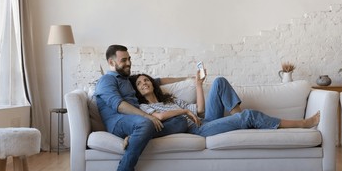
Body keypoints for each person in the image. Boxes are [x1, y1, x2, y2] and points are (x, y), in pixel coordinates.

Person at [95, 45, 189, 171]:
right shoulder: (106, 80)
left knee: (181, 121)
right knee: (146, 123)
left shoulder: (127, 79)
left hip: (135, 121)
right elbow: (119, 105)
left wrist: (188, 78)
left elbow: (157, 81)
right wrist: (147, 116)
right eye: (124, 60)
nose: (128, 63)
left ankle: (135, 137)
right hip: (118, 121)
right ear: (111, 63)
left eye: (129, 59)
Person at [130, 71, 320, 137]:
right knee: (249, 115)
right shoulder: (144, 108)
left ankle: (238, 117)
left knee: (219, 81)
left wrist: (198, 84)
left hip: (204, 121)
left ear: (152, 84)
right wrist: (184, 112)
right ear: (137, 91)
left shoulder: (169, 99)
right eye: (139, 84)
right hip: (195, 129)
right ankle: (303, 123)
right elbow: (160, 117)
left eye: (146, 80)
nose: (144, 83)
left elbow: (201, 110)